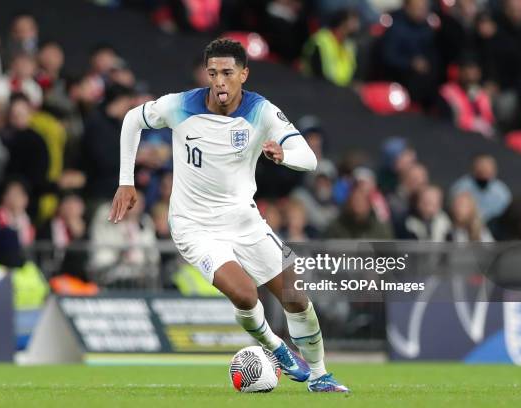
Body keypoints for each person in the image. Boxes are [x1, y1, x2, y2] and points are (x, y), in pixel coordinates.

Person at [109, 39, 348, 392]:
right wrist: (126, 182)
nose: (219, 81)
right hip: (194, 226)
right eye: (213, 73)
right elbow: (133, 119)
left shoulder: (261, 111)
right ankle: (276, 348)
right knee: (246, 294)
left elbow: (309, 158)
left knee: (296, 296)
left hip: (243, 220)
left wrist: (284, 155)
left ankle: (319, 374)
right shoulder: (181, 105)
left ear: (243, 74)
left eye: (227, 73)